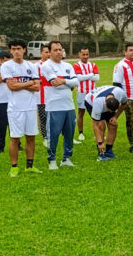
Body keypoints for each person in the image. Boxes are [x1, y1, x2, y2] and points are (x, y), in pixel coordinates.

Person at [1, 39, 42, 177]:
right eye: (13, 49)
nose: (16, 51)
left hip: (30, 107)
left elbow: (37, 87)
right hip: (15, 108)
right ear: (11, 51)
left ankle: (29, 166)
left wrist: (21, 84)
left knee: (31, 137)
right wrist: (30, 82)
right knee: (15, 138)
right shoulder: (7, 66)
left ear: (24, 50)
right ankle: (14, 167)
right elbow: (11, 86)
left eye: (19, 48)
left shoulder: (32, 66)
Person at [41, 41, 79, 169]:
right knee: (53, 135)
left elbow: (76, 82)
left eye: (60, 49)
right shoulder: (46, 66)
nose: (58, 52)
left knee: (69, 133)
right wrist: (68, 81)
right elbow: (54, 82)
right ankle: (52, 160)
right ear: (50, 52)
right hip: (54, 106)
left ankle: (66, 158)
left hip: (69, 106)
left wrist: (63, 80)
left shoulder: (68, 65)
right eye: (55, 50)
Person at [84, 84, 127, 160]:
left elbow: (124, 104)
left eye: (112, 111)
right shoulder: (98, 102)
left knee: (113, 125)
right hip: (90, 102)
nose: (110, 112)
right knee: (101, 126)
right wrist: (100, 143)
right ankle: (101, 153)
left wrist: (115, 116)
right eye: (109, 110)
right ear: (106, 104)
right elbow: (95, 125)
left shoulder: (121, 93)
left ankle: (109, 151)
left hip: (107, 101)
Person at [73, 48, 99, 143]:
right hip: (82, 92)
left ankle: (97, 133)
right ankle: (81, 133)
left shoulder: (93, 65)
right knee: (81, 112)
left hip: (93, 92)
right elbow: (78, 78)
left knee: (95, 113)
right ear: (79, 54)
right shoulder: (76, 65)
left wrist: (86, 77)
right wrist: (91, 75)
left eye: (87, 54)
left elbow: (97, 78)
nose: (85, 56)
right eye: (83, 54)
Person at [36, 44, 51, 147]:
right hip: (41, 97)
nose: (48, 54)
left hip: (53, 96)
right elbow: (35, 80)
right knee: (43, 117)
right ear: (41, 53)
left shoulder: (54, 65)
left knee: (54, 117)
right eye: (46, 52)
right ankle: (45, 137)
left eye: (49, 52)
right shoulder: (36, 66)